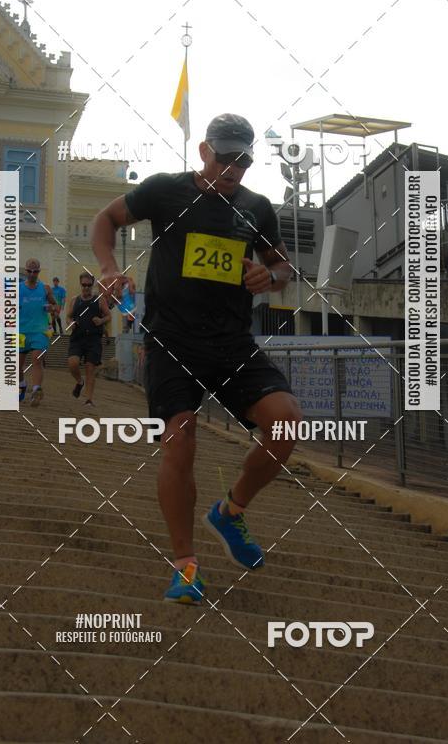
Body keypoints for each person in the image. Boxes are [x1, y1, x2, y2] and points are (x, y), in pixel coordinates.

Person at [91, 113, 302, 605]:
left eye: (243, 159)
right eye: (225, 156)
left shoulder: (256, 207)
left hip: (231, 342)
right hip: (171, 340)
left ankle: (230, 512)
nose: (233, 167)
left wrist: (269, 278)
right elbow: (105, 220)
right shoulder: (165, 190)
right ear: (205, 151)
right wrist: (108, 267)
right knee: (179, 440)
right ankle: (185, 566)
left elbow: (284, 264)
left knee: (287, 422)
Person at [66, 272, 111, 409]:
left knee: (90, 369)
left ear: (92, 285)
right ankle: (80, 382)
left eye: (89, 285)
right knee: (72, 363)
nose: (86, 288)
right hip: (77, 338)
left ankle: (88, 400)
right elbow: (68, 317)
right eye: (83, 285)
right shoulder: (75, 300)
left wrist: (101, 320)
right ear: (80, 284)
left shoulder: (99, 300)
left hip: (93, 339)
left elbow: (108, 316)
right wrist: (70, 323)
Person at [19, 258, 57, 406]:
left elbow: (55, 306)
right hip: (20, 331)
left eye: (35, 271)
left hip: (39, 332)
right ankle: (22, 385)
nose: (32, 274)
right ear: (26, 270)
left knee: (37, 359)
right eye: (29, 271)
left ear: (38, 272)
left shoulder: (45, 289)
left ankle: (36, 391)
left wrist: (51, 308)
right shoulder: (18, 288)